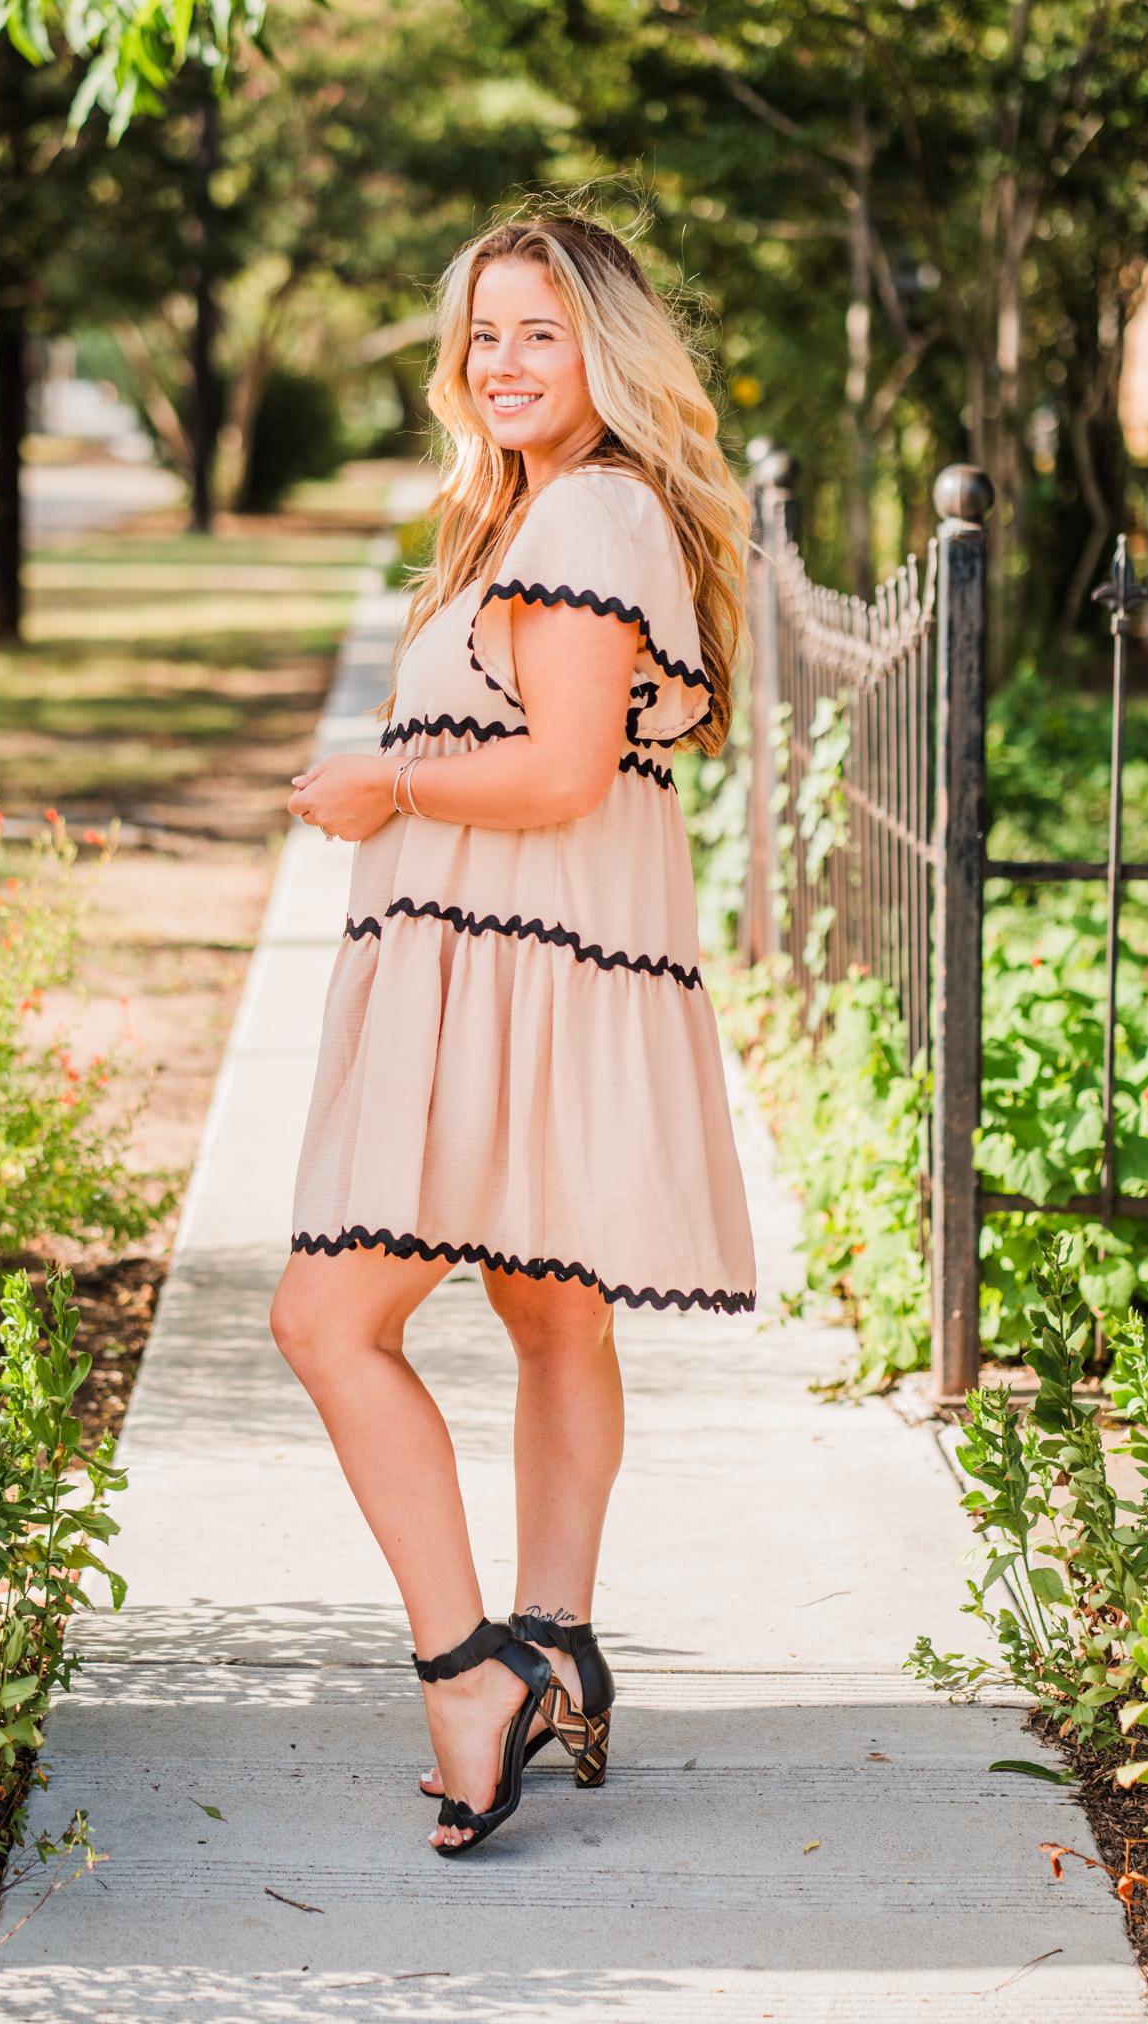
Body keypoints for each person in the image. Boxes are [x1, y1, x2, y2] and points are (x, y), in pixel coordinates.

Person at [269, 207, 757, 1857]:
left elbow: (556, 776)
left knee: (327, 1322)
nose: (499, 363)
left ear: (601, 349)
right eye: (482, 334)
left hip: (517, 973)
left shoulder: (592, 511)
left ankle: (468, 1675)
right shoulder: (537, 513)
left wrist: (381, 782)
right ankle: (556, 1643)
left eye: (537, 332)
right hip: (516, 966)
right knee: (551, 1319)